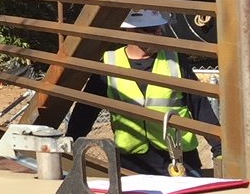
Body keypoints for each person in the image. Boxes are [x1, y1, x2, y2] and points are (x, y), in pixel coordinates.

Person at [64, 10, 222, 176]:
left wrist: (219, 148)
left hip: (179, 159)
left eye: (159, 28)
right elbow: (86, 111)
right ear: (131, 32)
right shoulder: (109, 65)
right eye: (151, 29)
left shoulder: (175, 62)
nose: (158, 33)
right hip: (132, 163)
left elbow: (200, 107)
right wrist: (71, 143)